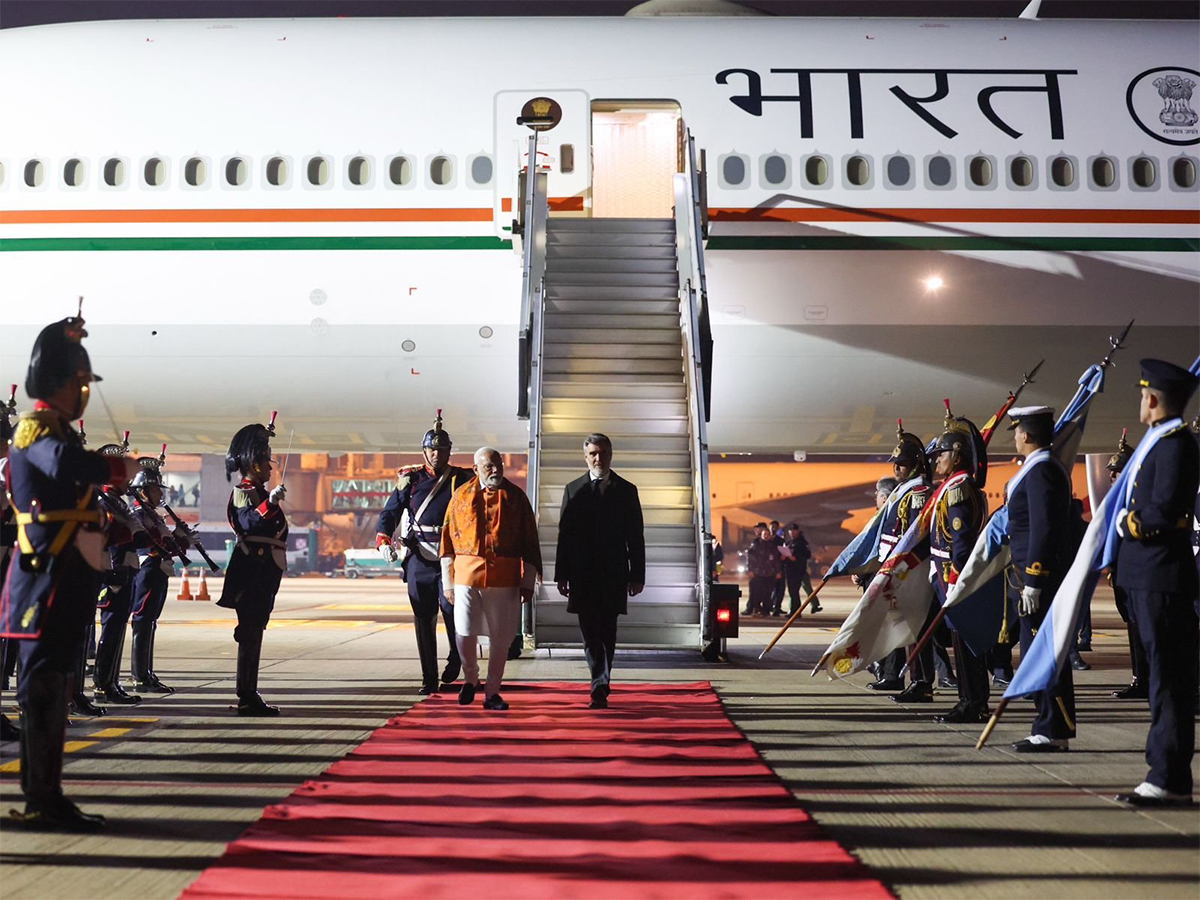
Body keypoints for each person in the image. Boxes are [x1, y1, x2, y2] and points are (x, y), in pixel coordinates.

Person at [1, 315, 139, 831]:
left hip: (68, 574)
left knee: (55, 687)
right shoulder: (35, 429)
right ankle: (40, 796)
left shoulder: (57, 429)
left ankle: (50, 793)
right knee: (41, 688)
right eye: (77, 383)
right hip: (44, 577)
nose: (83, 392)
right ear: (54, 384)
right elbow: (62, 466)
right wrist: (112, 470)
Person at [1113, 359, 1199, 807]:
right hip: (1145, 576)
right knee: (1160, 678)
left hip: (1161, 575)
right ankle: (1163, 770)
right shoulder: (1159, 442)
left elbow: (1162, 512)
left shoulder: (1175, 446)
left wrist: (1127, 522)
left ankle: (1168, 777)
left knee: (1168, 680)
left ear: (1152, 399)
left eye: (1142, 394)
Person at [376, 411, 471, 695]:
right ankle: (428, 678)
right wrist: (383, 540)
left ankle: (456, 657)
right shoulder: (411, 479)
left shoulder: (462, 478)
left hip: (450, 557)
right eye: (431, 449)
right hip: (419, 556)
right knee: (423, 618)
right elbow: (390, 512)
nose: (436, 454)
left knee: (453, 613)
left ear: (449, 451)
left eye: (442, 450)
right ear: (424, 451)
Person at [440, 448, 541, 710]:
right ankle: (471, 677)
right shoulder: (460, 497)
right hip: (466, 576)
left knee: (503, 637)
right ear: (475, 469)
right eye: (488, 466)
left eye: (498, 464)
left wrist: (528, 580)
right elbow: (447, 541)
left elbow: (530, 541)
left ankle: (492, 692)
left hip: (505, 578)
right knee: (463, 631)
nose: (495, 470)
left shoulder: (516, 498)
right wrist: (447, 582)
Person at [1004, 407, 1077, 753]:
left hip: (1039, 579)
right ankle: (1047, 724)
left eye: (1016, 431)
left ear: (1027, 435)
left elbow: (1043, 528)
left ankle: (1053, 728)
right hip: (1030, 576)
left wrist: (1034, 579)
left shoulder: (1042, 472)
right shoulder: (1038, 469)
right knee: (1037, 651)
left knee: (1046, 652)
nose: (1015, 437)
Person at [554, 434, 645, 709]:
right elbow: (564, 536)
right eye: (593, 453)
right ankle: (599, 682)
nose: (598, 458)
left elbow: (635, 536)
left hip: (613, 574)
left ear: (611, 455)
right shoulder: (573, 489)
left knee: (607, 632)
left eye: (603, 453)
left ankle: (599, 685)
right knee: (589, 633)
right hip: (582, 574)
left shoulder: (627, 490)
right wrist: (562, 574)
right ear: (585, 457)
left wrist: (637, 575)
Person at [217, 422, 288, 716]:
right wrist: (269, 503)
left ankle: (249, 690)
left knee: (254, 631)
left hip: (263, 571)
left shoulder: (257, 491)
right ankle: (246, 694)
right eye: (265, 462)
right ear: (253, 465)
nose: (270, 468)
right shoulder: (245, 491)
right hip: (252, 570)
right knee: (249, 633)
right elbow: (248, 523)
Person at [928, 412, 992, 725]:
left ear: (956, 456)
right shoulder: (952, 486)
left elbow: (962, 542)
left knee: (966, 645)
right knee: (959, 643)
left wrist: (956, 579)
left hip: (957, 579)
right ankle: (969, 699)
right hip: (947, 577)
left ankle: (974, 702)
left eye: (941, 453)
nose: (936, 459)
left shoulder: (958, 490)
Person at [872, 424, 934, 696]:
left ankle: (922, 682)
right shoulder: (903, 492)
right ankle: (901, 676)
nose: (897, 469)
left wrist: (901, 567)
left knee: (917, 628)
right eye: (895, 464)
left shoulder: (918, 494)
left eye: (902, 464)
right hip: (899, 569)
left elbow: (915, 537)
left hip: (913, 571)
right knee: (902, 625)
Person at [91, 440, 147, 706]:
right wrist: (132, 532)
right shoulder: (105, 502)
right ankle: (103, 684)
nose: (129, 482)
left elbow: (137, 537)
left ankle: (111, 681)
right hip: (113, 571)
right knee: (111, 628)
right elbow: (114, 537)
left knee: (117, 629)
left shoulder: (116, 502)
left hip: (124, 569)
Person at [127, 457, 190, 695]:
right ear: (143, 492)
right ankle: (139, 675)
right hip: (148, 570)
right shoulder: (138, 514)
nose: (159, 494)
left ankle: (146, 673)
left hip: (158, 571)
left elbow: (170, 546)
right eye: (154, 489)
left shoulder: (152, 514)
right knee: (142, 621)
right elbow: (149, 544)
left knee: (150, 622)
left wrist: (182, 537)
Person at [1105, 431, 1146, 699]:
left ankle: (1146, 680)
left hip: (1138, 576)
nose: (1112, 477)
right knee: (1133, 627)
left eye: (1117, 471)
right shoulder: (1118, 500)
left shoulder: (1138, 500)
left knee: (1143, 629)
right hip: (1123, 575)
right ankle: (1139, 678)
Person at [743, 523, 782, 616]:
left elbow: (776, 560)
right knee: (756, 592)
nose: (766, 536)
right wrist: (750, 570)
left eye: (768, 534)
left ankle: (766, 610)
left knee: (767, 593)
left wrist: (778, 571)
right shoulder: (756, 545)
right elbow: (750, 559)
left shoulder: (773, 547)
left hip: (769, 574)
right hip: (758, 573)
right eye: (764, 534)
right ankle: (754, 608)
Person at [780, 522, 814, 616]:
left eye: (794, 530)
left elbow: (807, 555)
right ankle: (794, 610)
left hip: (798, 570)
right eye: (791, 531)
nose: (792, 532)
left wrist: (794, 558)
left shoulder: (802, 543)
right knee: (792, 591)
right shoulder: (789, 543)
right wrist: (784, 557)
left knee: (794, 591)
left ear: (798, 531)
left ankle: (795, 611)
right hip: (790, 570)